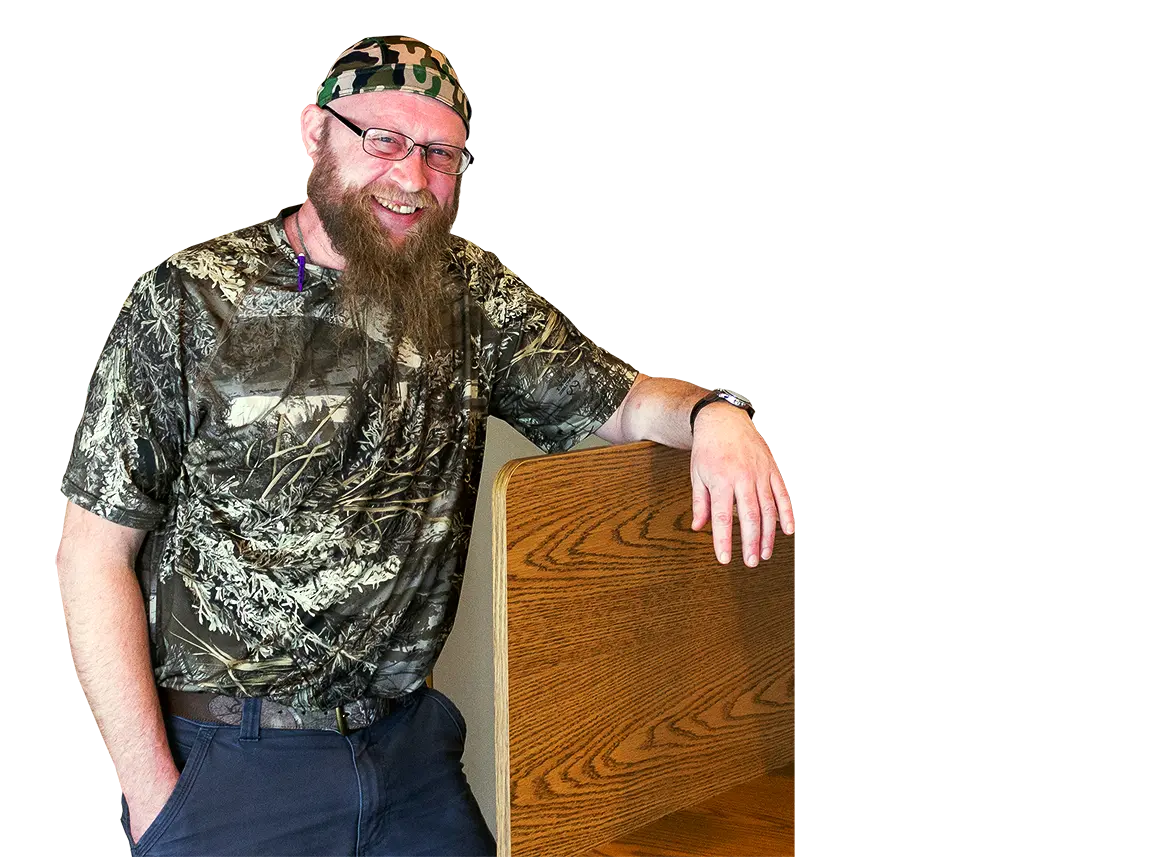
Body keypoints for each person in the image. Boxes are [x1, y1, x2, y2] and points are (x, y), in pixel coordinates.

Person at [56, 35, 795, 857]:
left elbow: (618, 398)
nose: (412, 178)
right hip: (233, 761)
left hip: (406, 753)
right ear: (313, 133)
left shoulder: (470, 293)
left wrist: (715, 414)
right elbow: (93, 552)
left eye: (441, 154)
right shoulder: (188, 299)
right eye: (383, 139)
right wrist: (156, 799)